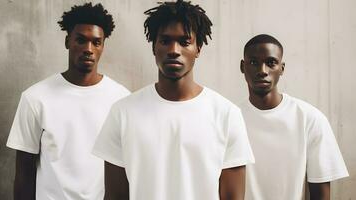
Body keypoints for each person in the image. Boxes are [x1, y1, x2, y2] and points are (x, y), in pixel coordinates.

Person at [92, 0, 255, 199]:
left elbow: (233, 197)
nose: (174, 50)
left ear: (198, 48)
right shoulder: (123, 112)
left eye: (184, 41)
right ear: (154, 47)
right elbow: (115, 196)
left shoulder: (226, 114)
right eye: (165, 41)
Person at [6, 3, 130, 200]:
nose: (88, 49)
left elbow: (126, 173)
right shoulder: (35, 98)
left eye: (96, 42)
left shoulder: (121, 99)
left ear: (103, 46)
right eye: (81, 40)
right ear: (67, 41)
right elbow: (23, 175)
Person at [239, 34, 349, 200]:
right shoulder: (230, 119)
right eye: (254, 62)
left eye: (271, 63)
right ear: (242, 66)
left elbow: (321, 193)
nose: (262, 71)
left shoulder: (310, 119)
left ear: (282, 68)